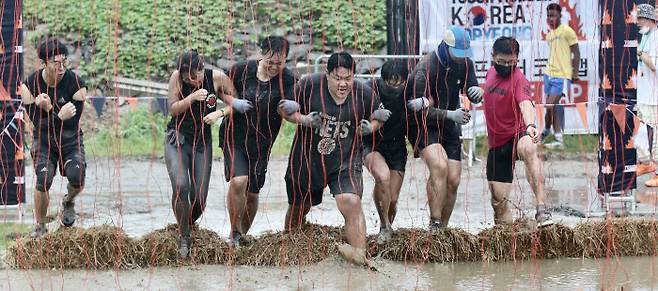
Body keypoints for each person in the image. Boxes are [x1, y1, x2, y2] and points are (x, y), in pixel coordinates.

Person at [278, 52, 391, 265]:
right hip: (308, 158)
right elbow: (283, 109)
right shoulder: (309, 84)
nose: (343, 84)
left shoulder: (363, 92)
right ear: (327, 75)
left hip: (345, 159)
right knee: (298, 207)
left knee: (351, 201)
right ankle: (289, 246)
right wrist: (303, 119)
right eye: (337, 78)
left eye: (347, 78)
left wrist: (370, 127)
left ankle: (359, 254)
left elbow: (378, 115)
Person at [218, 36, 297, 246]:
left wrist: (293, 106)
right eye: (270, 62)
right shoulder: (241, 70)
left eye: (279, 64)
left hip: (263, 142)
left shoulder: (287, 79)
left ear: (285, 60)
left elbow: (290, 107)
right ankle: (234, 233)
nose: (273, 67)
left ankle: (242, 235)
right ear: (262, 54)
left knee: (252, 193)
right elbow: (220, 90)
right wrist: (233, 102)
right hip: (234, 135)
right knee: (238, 181)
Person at [405, 26, 483, 230]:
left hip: (449, 125)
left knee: (454, 179)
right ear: (445, 47)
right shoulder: (424, 69)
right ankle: (435, 223)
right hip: (424, 125)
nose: (460, 59)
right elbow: (417, 110)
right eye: (457, 54)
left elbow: (471, 87)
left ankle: (444, 229)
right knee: (439, 166)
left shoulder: (465, 63)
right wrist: (451, 114)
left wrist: (476, 92)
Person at [165, 50, 233, 258]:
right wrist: (192, 97)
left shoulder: (217, 78)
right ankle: (184, 236)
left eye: (196, 76)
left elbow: (235, 103)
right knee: (180, 185)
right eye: (188, 78)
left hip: (202, 142)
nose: (192, 80)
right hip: (177, 138)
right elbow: (173, 109)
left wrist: (218, 113)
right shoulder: (177, 78)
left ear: (203, 70)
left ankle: (187, 221)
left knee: (200, 198)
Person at [482, 36, 553, 227]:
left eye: (511, 62)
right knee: (498, 203)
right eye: (501, 62)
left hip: (518, 135)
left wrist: (530, 125)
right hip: (497, 145)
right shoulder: (489, 74)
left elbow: (526, 103)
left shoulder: (519, 79)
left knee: (529, 148)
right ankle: (508, 236)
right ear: (493, 57)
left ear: (517, 60)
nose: (506, 66)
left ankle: (541, 209)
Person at [21, 39, 87, 237]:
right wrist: (56, 114)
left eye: (63, 61)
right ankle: (40, 226)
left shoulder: (77, 85)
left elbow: (70, 124)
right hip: (43, 141)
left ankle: (68, 202)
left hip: (70, 140)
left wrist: (49, 110)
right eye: (55, 62)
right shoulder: (29, 86)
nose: (60, 67)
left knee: (78, 176)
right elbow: (38, 126)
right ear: (44, 62)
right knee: (43, 179)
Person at [362, 59, 409, 243]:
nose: (395, 87)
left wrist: (423, 103)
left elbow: (428, 99)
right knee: (382, 177)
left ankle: (387, 229)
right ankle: (384, 227)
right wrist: (372, 115)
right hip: (371, 143)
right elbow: (354, 111)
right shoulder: (369, 89)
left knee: (393, 198)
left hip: (397, 146)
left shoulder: (409, 90)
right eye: (390, 82)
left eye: (399, 83)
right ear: (382, 79)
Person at [542, 3, 581, 149]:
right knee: (550, 106)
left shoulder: (567, 31)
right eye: (549, 16)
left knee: (551, 104)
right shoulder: (549, 35)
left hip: (562, 75)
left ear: (560, 16)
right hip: (549, 74)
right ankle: (550, 133)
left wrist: (575, 72)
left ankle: (554, 136)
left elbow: (576, 52)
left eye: (553, 15)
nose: (551, 18)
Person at [635, 3, 658, 185]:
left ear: (650, 20)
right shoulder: (646, 36)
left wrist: (640, 53)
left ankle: (656, 169)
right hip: (644, 95)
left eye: (640, 19)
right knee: (641, 128)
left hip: (654, 96)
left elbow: (654, 65)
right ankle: (645, 162)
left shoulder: (656, 37)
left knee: (656, 134)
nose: (637, 22)